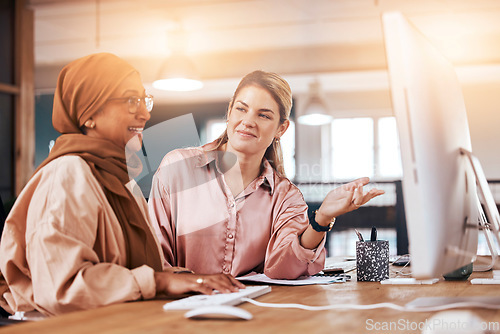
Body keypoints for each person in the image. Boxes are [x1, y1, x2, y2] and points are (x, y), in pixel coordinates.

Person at [0, 53, 243, 318]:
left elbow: (145, 268)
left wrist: (193, 280)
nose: (145, 112)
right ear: (89, 114)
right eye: (131, 101)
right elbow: (63, 288)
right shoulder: (68, 173)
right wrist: (162, 282)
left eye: (144, 99)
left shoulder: (121, 179)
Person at [148, 70, 385, 279]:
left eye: (263, 115)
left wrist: (321, 218)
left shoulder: (286, 196)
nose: (248, 121)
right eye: (241, 109)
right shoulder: (178, 167)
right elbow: (154, 256)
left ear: (281, 128)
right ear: (230, 112)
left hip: (253, 316)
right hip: (180, 312)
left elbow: (283, 268)